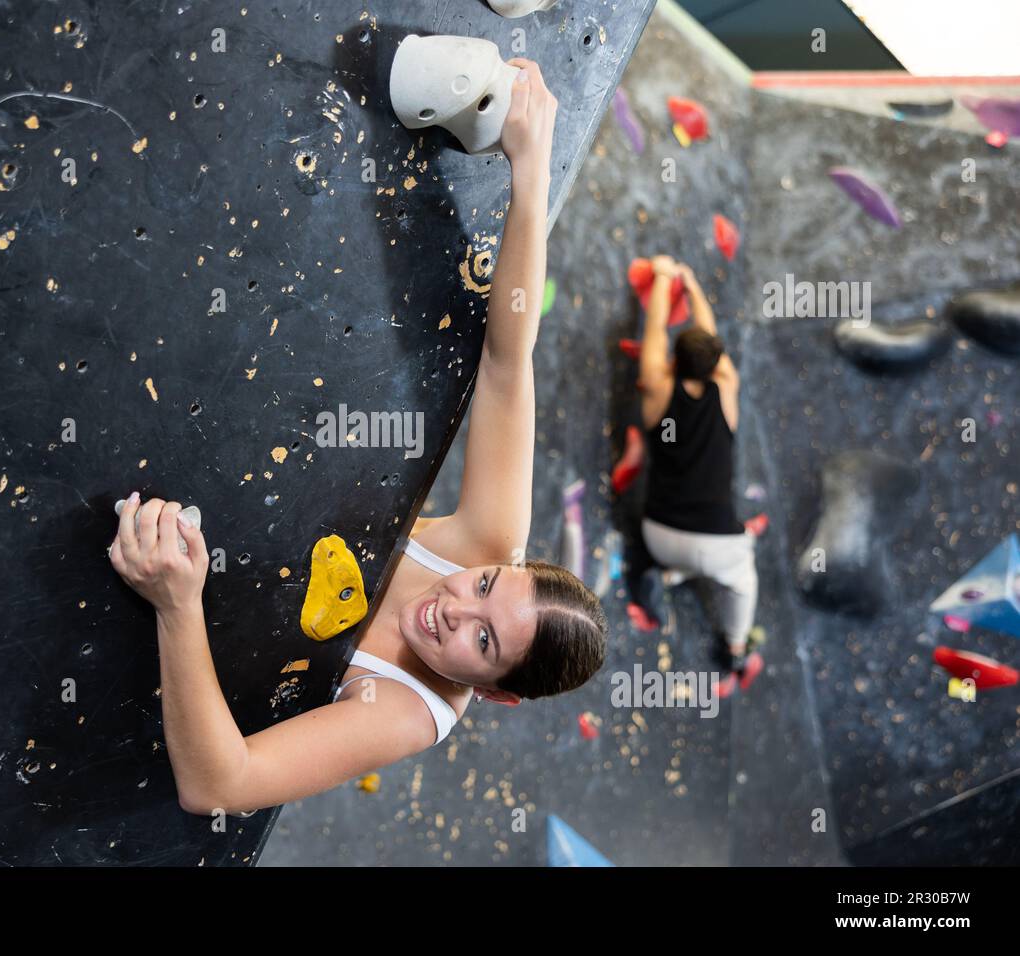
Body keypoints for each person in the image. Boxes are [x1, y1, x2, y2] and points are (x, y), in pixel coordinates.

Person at [107, 60, 607, 817]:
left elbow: (220, 785)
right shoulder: (489, 539)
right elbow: (507, 365)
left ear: (496, 693)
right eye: (483, 587)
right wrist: (531, 175)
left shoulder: (408, 711)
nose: (455, 609)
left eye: (480, 644)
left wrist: (177, 606)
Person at [637, 255, 762, 694]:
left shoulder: (656, 387)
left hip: (658, 535)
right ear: (716, 365)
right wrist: (692, 284)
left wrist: (663, 278)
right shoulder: (726, 388)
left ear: (673, 360)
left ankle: (672, 572)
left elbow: (653, 334)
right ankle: (735, 646)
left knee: (704, 560)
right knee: (744, 583)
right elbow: (712, 341)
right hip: (718, 546)